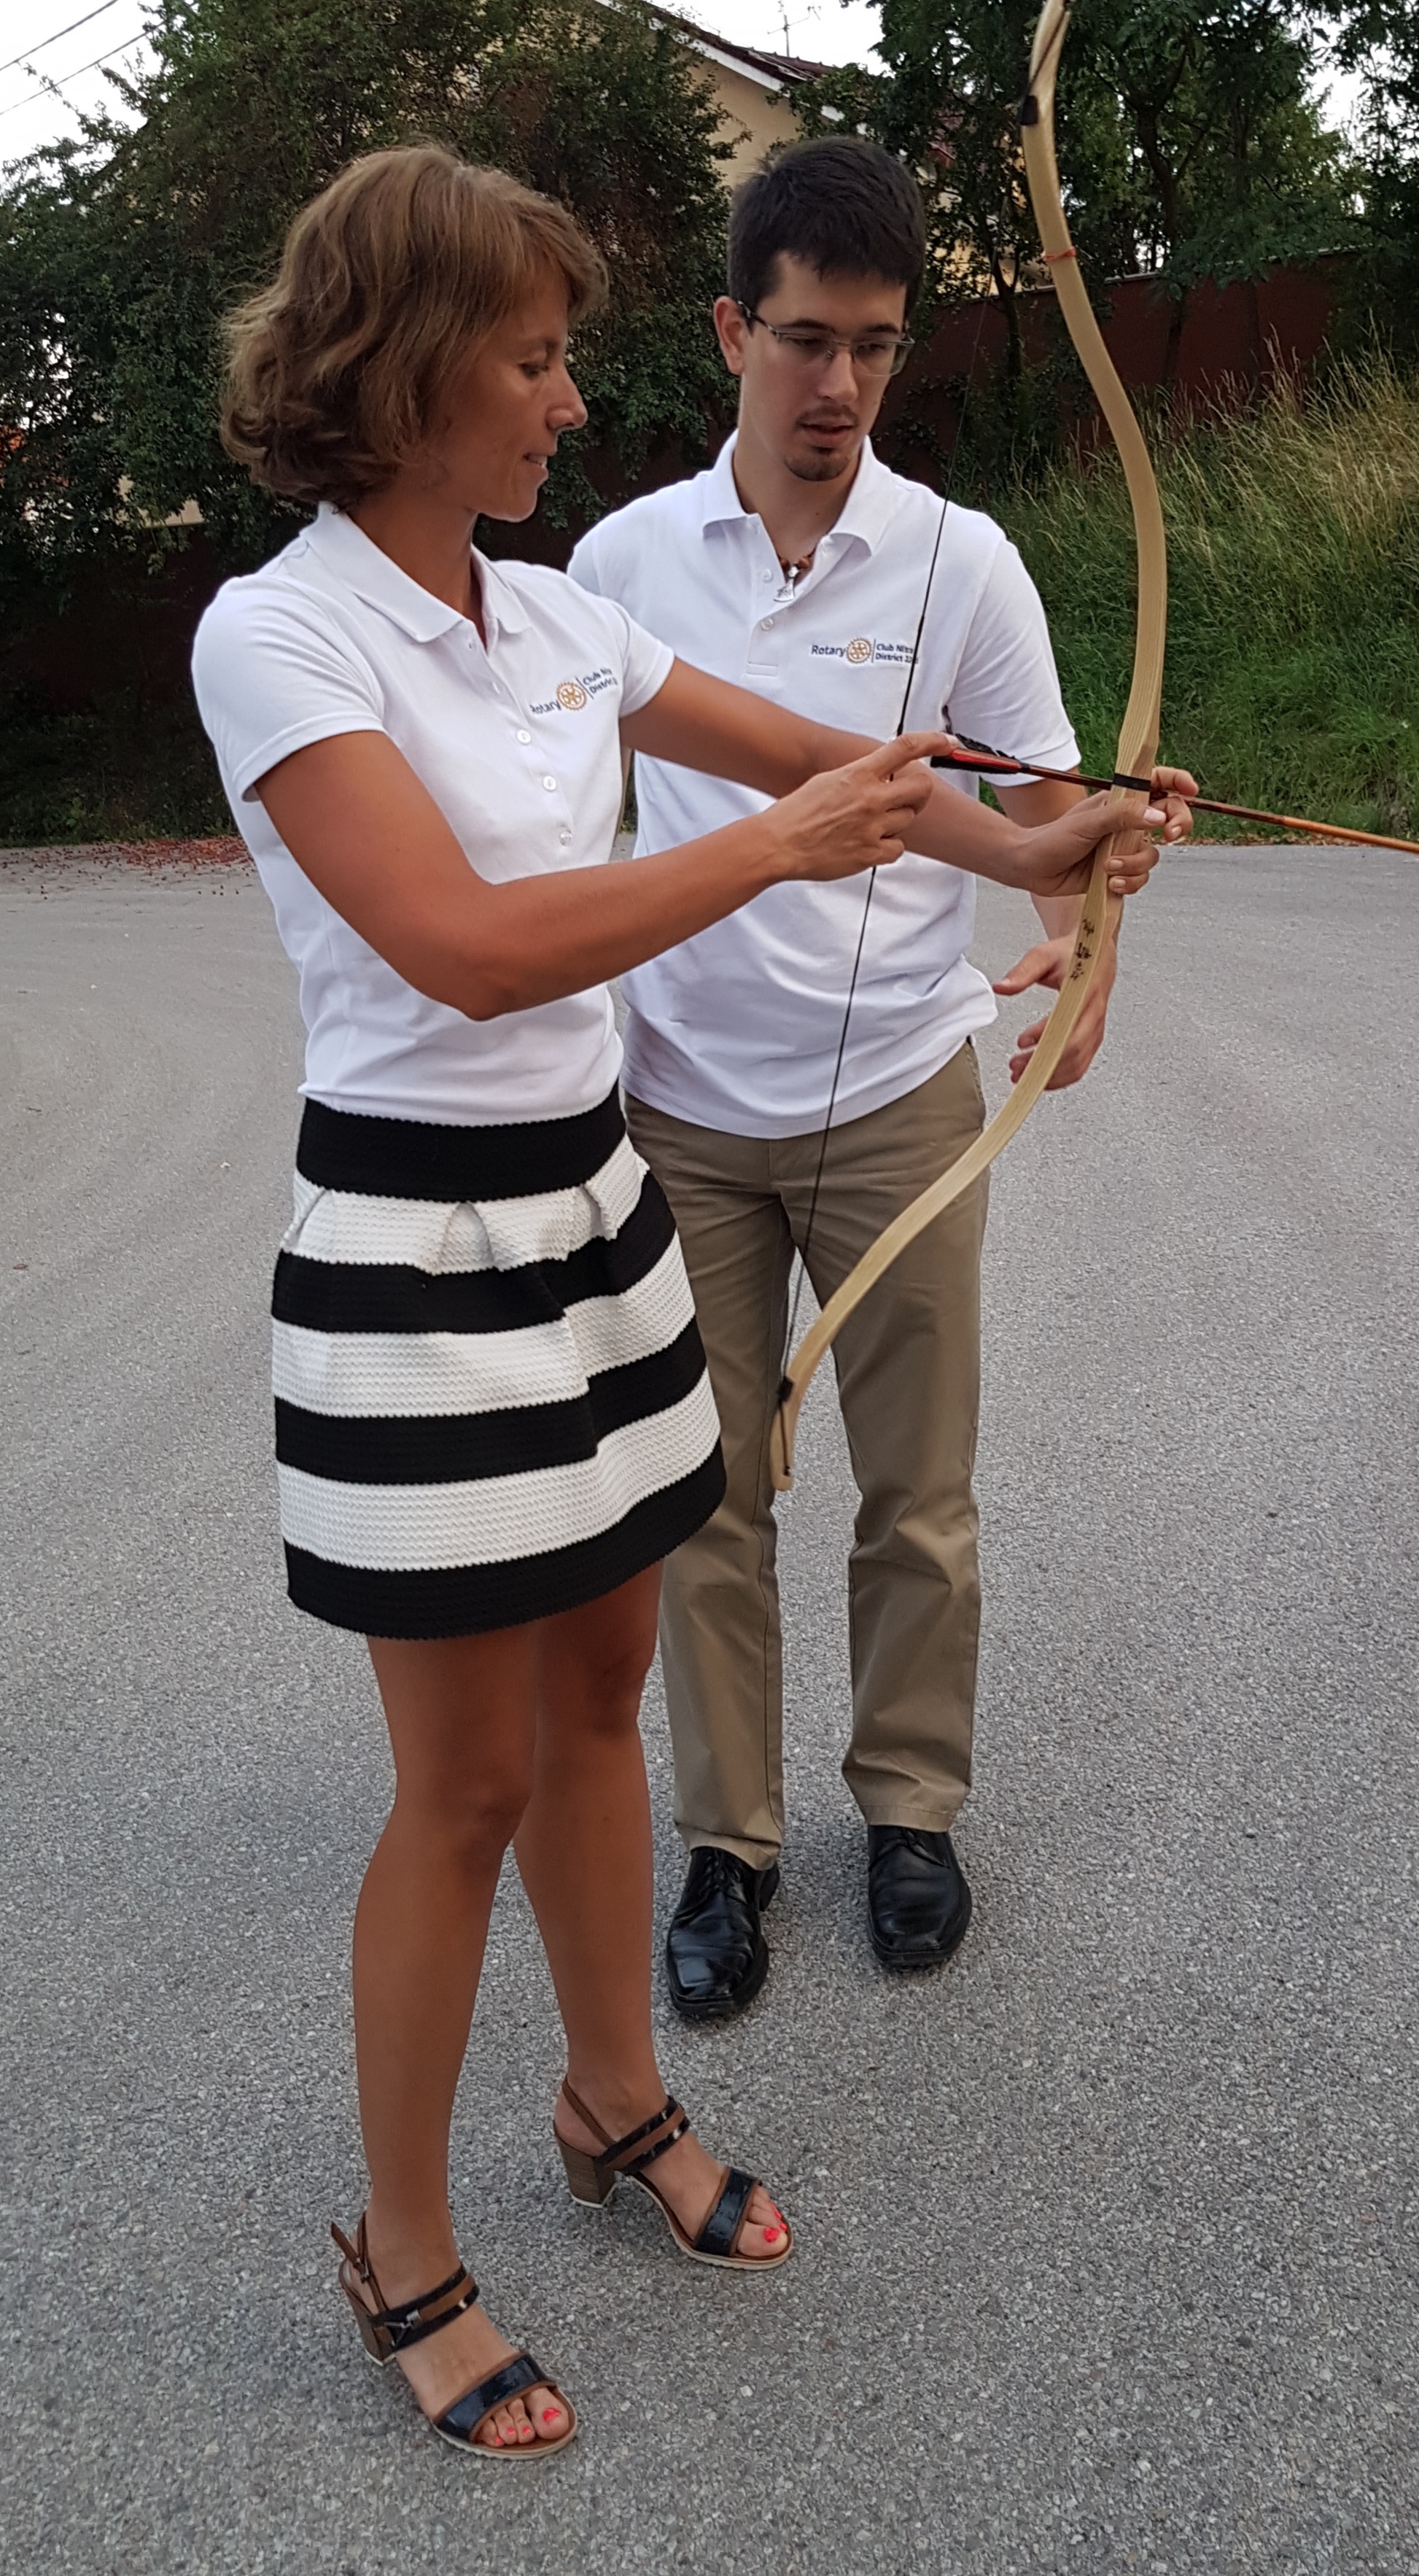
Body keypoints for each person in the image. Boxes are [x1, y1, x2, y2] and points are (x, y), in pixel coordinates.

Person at [191, 141, 1183, 2459]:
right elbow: (459, 945)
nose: (568, 400)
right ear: (410, 369)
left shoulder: (555, 616)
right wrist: (780, 844)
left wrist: (1048, 839)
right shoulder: (282, 631)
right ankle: (405, 2245)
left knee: (605, 1687)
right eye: (535, 360)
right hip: (424, 1258)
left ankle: (614, 2095)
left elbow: (858, 772)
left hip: (600, 1221)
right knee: (459, 1783)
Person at [570, 136, 1194, 2014]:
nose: (836, 383)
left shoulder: (958, 560)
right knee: (704, 1497)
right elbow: (566, 834)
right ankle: (728, 1845)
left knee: (915, 1492)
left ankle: (909, 1810)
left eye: (872, 345)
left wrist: (1088, 921)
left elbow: (1048, 805)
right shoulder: (617, 566)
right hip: (679, 1110)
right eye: (803, 341)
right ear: (730, 334)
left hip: (904, 1100)